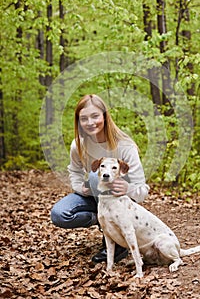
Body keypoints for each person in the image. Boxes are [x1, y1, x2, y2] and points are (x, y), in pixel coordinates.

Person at [51, 94, 149, 263]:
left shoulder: (124, 146)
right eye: (84, 118)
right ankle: (103, 220)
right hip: (95, 198)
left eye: (95, 116)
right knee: (59, 215)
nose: (90, 122)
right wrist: (79, 188)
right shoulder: (78, 144)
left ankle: (117, 247)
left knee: (95, 178)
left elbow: (142, 189)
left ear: (104, 116)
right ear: (78, 122)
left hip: (121, 201)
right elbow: (74, 171)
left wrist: (129, 189)